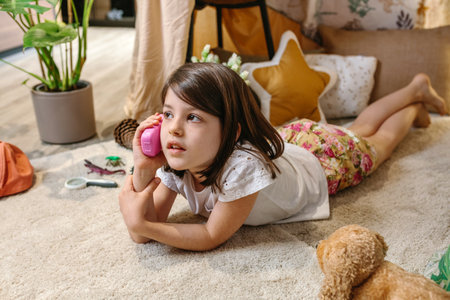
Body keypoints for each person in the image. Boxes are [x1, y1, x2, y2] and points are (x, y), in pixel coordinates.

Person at [119, 63, 447, 251]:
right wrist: (142, 171)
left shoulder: (241, 169)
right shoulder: (179, 161)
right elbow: (145, 230)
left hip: (322, 160)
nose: (173, 129)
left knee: (378, 143)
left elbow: (209, 236)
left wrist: (142, 223)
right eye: (168, 113)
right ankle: (414, 94)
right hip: (291, 144)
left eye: (193, 117)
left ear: (231, 133)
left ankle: (414, 100)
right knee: (360, 127)